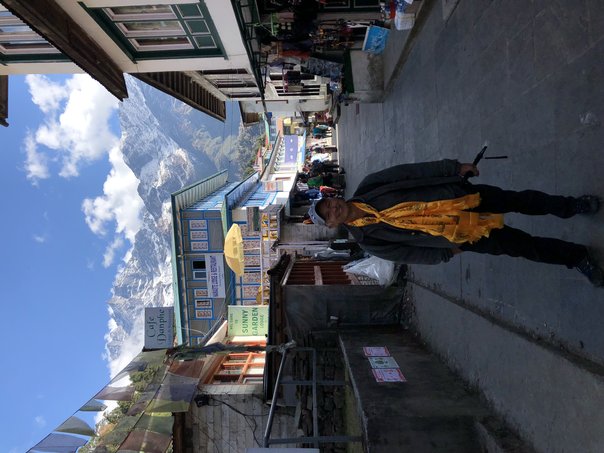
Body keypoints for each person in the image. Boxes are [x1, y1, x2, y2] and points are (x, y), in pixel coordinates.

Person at [307, 159, 604, 287]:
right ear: (332, 225)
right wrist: (447, 253)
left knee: (520, 201)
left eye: (329, 204)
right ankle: (576, 257)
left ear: (334, 197)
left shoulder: (371, 186)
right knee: (522, 247)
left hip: (459, 198)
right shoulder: (368, 240)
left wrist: (453, 168)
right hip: (460, 233)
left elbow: (411, 172)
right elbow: (408, 254)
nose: (333, 209)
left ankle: (572, 205)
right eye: (328, 214)